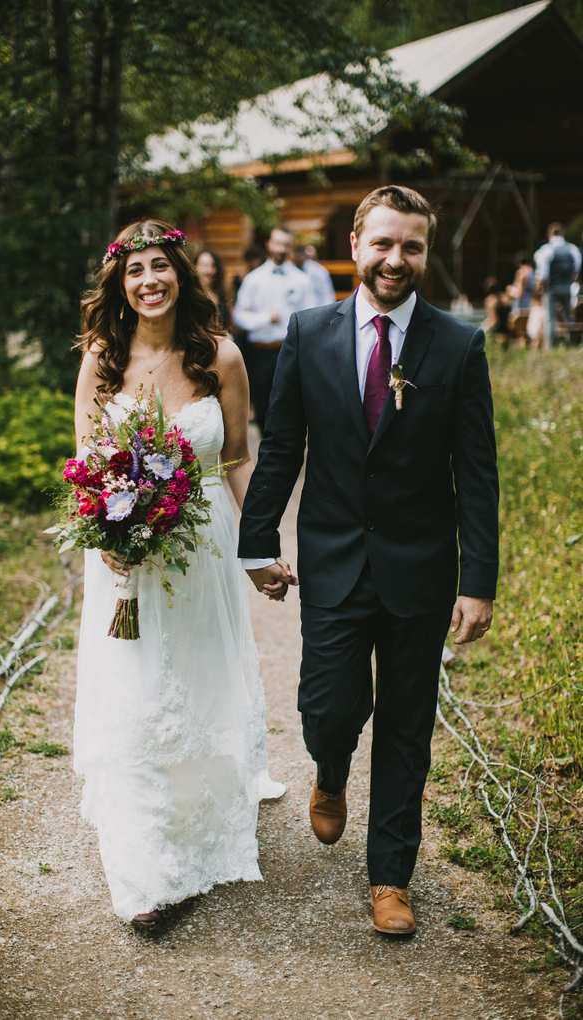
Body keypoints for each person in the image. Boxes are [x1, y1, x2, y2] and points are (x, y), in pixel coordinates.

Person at [239, 186, 499, 936]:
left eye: (411, 246)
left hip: (422, 567)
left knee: (407, 727)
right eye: (383, 243)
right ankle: (329, 770)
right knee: (327, 708)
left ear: (426, 252)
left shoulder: (459, 345)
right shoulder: (309, 332)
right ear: (355, 245)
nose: (395, 259)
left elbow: (476, 473)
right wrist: (258, 542)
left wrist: (478, 581)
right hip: (334, 557)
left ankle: (390, 875)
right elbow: (281, 446)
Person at [74, 218, 285, 927]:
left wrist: (258, 547)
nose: (149, 281)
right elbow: (86, 461)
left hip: (201, 549)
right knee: (134, 691)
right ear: (120, 284)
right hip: (124, 557)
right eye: (134, 270)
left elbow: (237, 460)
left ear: (180, 273)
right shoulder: (102, 358)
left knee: (195, 680)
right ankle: (146, 873)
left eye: (159, 266)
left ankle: (195, 818)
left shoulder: (220, 356)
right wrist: (105, 531)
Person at [233, 226, 315, 434]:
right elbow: (239, 316)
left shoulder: (302, 280)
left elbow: (311, 315)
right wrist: (265, 318)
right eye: (277, 243)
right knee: (262, 405)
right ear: (269, 244)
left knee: (291, 404)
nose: (281, 249)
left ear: (290, 247)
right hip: (260, 351)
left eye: (285, 245)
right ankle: (266, 443)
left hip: (290, 351)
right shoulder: (253, 280)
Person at [534, 223, 581, 349]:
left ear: (549, 234)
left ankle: (551, 346)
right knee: (568, 317)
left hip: (551, 288)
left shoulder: (546, 250)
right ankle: (571, 343)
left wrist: (539, 289)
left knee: (550, 319)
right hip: (567, 287)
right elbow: (576, 271)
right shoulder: (572, 249)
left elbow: (543, 274)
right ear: (563, 233)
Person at [193, 248, 232, 330]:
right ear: (194, 267)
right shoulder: (189, 295)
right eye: (204, 265)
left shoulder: (222, 294)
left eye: (213, 265)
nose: (209, 270)